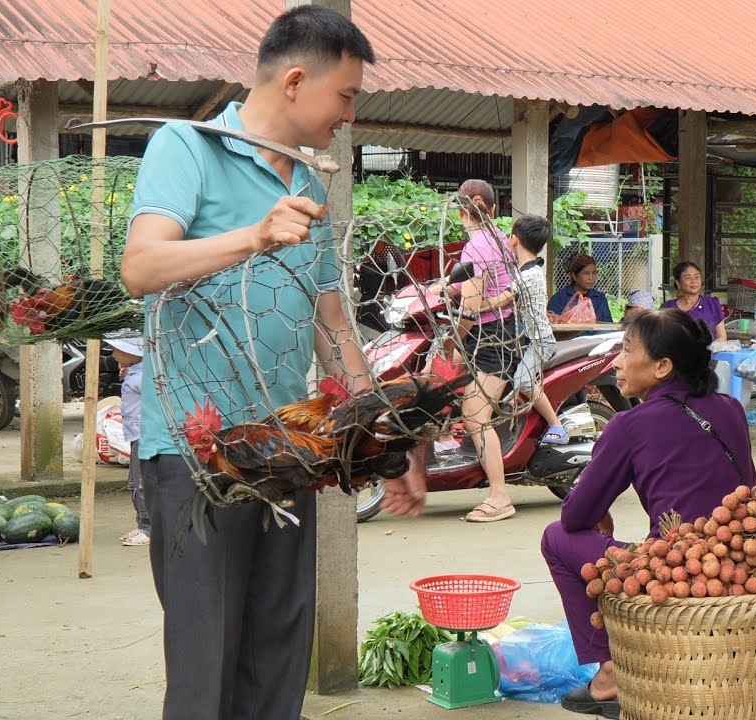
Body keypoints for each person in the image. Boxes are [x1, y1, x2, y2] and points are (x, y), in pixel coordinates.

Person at [120, 8, 423, 718]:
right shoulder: (185, 148)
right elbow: (140, 266)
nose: (350, 115)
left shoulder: (311, 184)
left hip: (288, 451)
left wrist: (383, 432)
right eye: (346, 96)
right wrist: (253, 234)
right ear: (295, 81)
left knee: (279, 654)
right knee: (206, 668)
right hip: (197, 458)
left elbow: (332, 323)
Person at [541, 309, 756, 719]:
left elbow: (574, 519)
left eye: (626, 350)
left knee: (555, 537)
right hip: (739, 567)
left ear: (662, 367)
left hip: (676, 577)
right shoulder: (731, 408)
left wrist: (599, 511)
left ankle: (609, 673)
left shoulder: (628, 425)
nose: (616, 362)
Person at [443, 179, 522, 522]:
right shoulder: (498, 239)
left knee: (476, 416)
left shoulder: (475, 246)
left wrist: (452, 340)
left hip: (493, 338)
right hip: (502, 332)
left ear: (465, 209)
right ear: (491, 209)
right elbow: (489, 284)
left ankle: (500, 496)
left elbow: (473, 307)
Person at [474, 214, 570, 445]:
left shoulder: (528, 275)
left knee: (523, 381)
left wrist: (472, 304)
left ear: (513, 240)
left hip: (539, 341)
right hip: (525, 339)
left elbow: (499, 301)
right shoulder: (525, 270)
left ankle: (556, 425)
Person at [106, 337, 150, 547]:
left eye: (117, 350)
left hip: (143, 434)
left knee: (141, 483)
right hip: (134, 434)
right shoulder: (135, 373)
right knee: (134, 483)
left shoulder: (144, 377)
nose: (114, 354)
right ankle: (141, 524)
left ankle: (148, 528)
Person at [660, 260, 725, 341]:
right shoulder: (667, 308)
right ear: (678, 283)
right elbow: (661, 339)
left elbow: (721, 336)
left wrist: (710, 350)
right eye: (688, 277)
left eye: (697, 276)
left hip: (709, 352)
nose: (694, 281)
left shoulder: (712, 303)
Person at [549, 253, 613, 323]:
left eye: (594, 273)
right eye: (586, 273)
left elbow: (607, 325)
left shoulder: (600, 299)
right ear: (574, 276)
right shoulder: (559, 299)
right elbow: (554, 326)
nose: (591, 278)